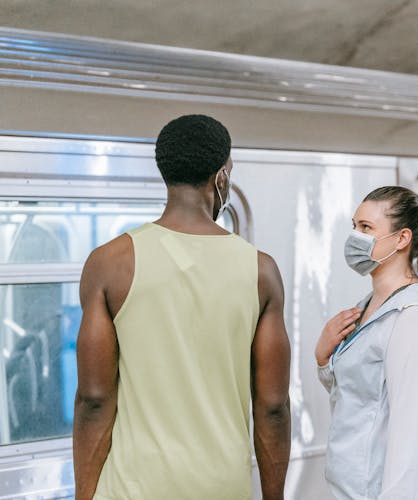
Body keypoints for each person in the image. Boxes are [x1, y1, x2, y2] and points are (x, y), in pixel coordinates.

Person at [73, 114, 291, 500]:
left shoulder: (109, 263)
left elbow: (94, 399)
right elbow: (272, 406)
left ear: (165, 173)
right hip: (222, 487)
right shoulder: (261, 271)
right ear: (221, 177)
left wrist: (84, 495)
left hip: (132, 487)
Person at [315, 186, 418, 500]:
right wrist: (324, 358)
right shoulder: (370, 307)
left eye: (366, 228)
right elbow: (364, 399)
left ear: (401, 239)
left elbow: (410, 441)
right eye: (354, 226)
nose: (355, 237)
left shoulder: (415, 322)